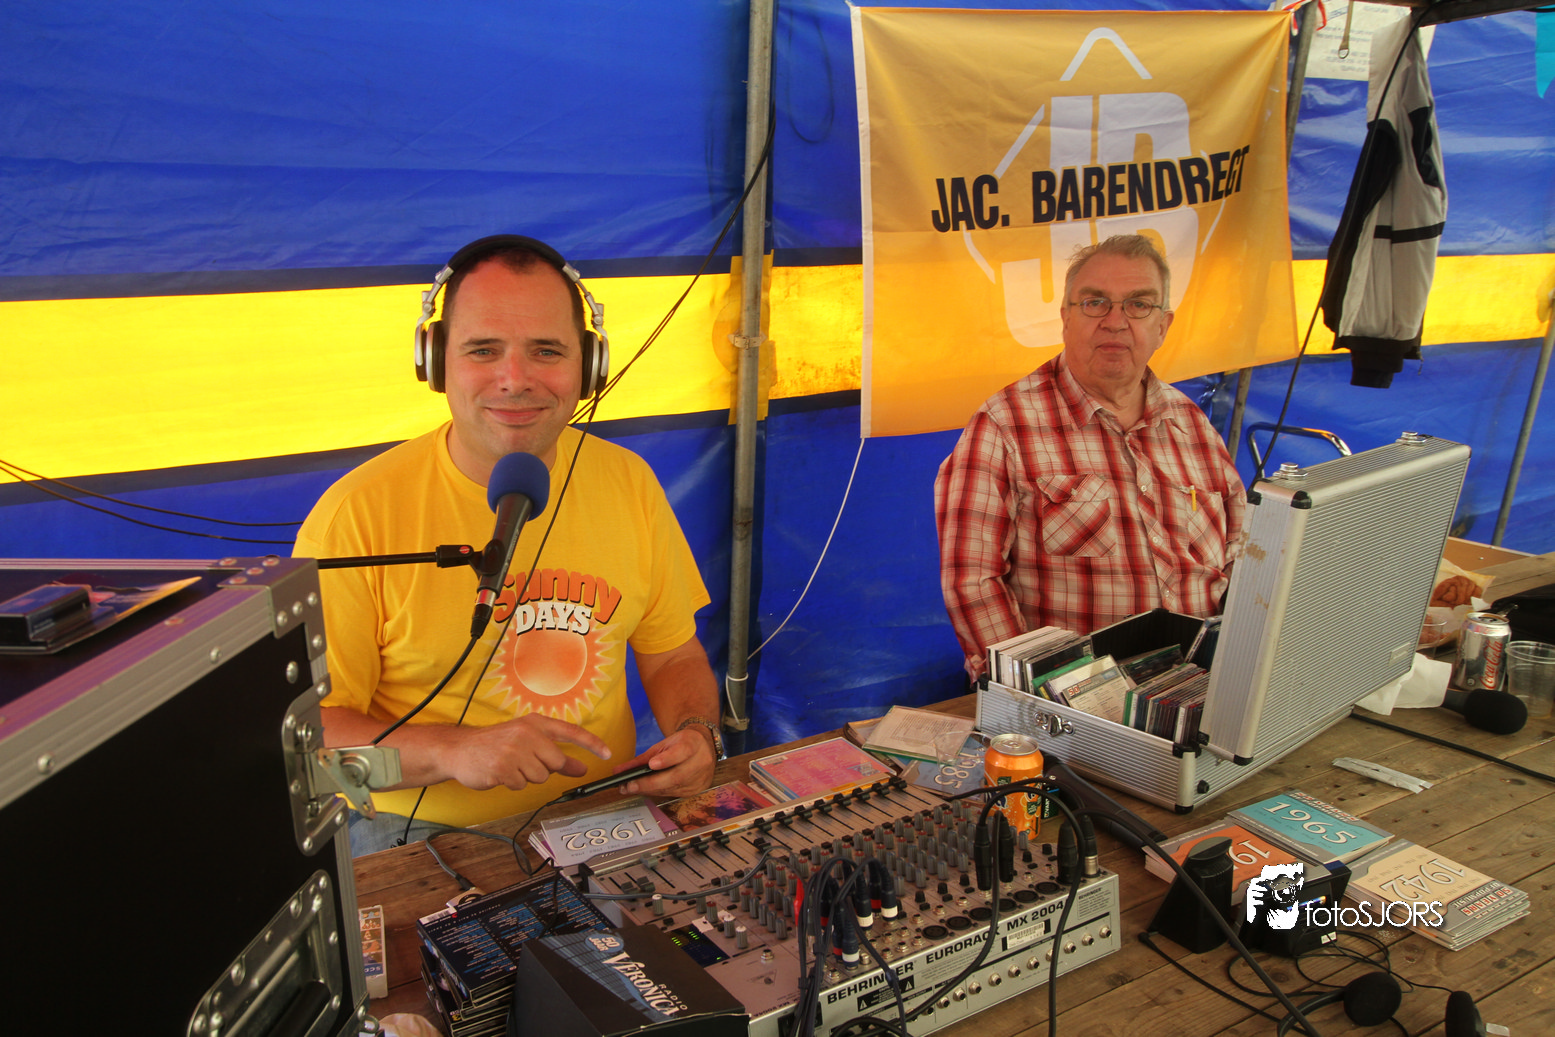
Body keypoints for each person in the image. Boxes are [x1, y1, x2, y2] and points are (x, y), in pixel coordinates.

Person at [295, 235, 720, 853]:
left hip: (601, 812)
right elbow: (313, 741)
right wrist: (452, 750)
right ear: (435, 362)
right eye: (483, 350)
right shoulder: (354, 515)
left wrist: (699, 733)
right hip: (415, 832)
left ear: (589, 367)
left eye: (546, 351)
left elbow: (673, 656)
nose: (515, 380)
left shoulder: (629, 482)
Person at [934, 234, 1247, 680]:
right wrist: (1032, 692)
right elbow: (972, 582)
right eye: (1095, 302)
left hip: (1204, 683)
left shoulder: (1193, 426)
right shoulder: (1005, 425)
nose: (1115, 322)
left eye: (1139, 304)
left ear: (1163, 325)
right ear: (1066, 318)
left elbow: (1241, 554)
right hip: (1075, 698)